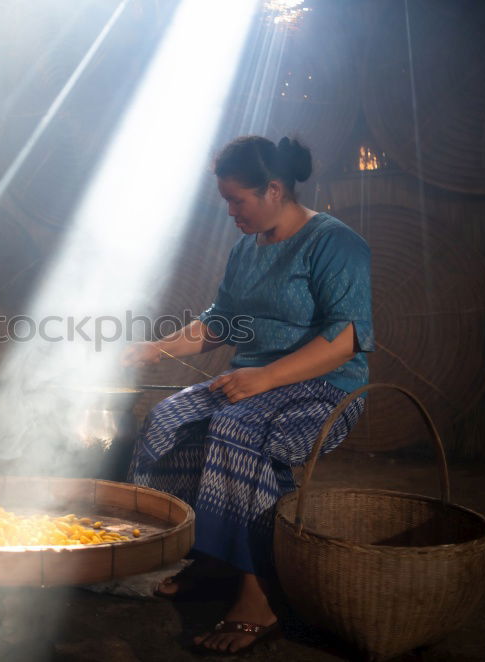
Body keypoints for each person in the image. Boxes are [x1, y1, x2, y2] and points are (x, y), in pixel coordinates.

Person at [122, 135, 374, 654]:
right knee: (168, 422)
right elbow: (221, 323)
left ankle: (259, 596)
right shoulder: (245, 248)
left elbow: (346, 338)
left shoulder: (334, 242)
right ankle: (209, 559)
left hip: (324, 389)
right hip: (249, 384)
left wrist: (265, 378)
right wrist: (156, 349)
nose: (231, 212)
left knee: (236, 430)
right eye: (226, 202)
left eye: (238, 200)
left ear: (275, 190)